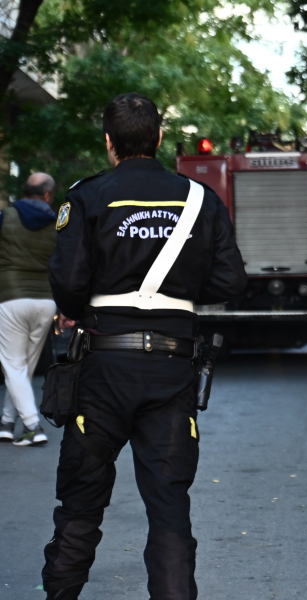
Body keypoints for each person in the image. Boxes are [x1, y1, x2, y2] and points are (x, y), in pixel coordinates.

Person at [41, 93, 247, 600]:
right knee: (169, 506)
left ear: (108, 142)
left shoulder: (87, 197)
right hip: (172, 371)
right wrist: (179, 290)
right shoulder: (199, 198)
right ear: (158, 137)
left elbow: (68, 285)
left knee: (81, 502)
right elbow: (230, 281)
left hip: (102, 371)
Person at [0, 173, 58, 446]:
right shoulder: (59, 223)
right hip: (46, 300)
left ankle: (33, 426)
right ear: (47, 195)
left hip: (11, 296)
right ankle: (6, 423)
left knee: (13, 366)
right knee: (22, 367)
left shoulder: (5, 217)